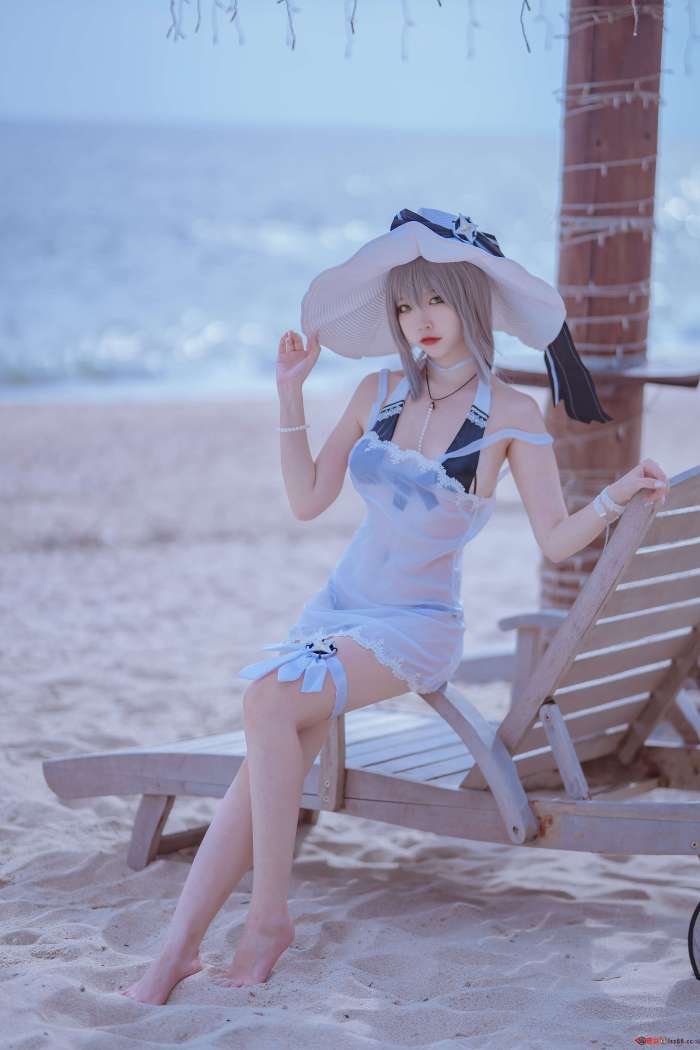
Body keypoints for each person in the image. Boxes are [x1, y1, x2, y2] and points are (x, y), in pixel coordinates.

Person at [120, 208, 669, 1004]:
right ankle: (177, 950)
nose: (420, 321)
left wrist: (618, 496)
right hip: (336, 612)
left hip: (415, 627)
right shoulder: (375, 392)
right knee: (265, 745)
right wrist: (289, 393)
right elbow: (308, 499)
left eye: (435, 300)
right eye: (406, 305)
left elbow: (556, 542)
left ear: (471, 300)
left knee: (265, 702)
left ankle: (268, 920)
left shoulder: (511, 415)